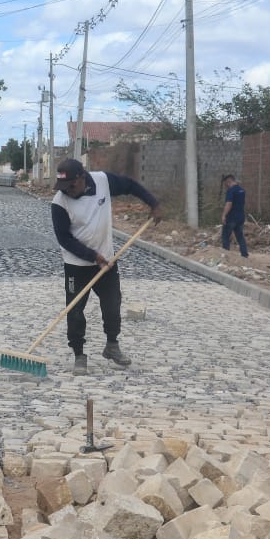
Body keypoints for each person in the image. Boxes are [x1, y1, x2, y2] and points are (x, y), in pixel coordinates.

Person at [50, 157, 163, 375]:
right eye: (63, 186)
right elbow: (64, 239)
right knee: (75, 312)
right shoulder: (59, 203)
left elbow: (130, 185)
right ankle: (79, 355)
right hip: (76, 265)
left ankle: (112, 345)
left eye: (71, 185)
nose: (67, 191)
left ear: (82, 178)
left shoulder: (102, 181)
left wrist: (154, 204)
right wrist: (93, 256)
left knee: (112, 305)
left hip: (107, 262)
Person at [221, 174, 248, 257]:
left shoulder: (231, 191)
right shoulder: (242, 190)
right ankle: (244, 254)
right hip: (240, 217)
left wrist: (224, 215)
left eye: (226, 184)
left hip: (231, 218)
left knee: (225, 236)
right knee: (240, 236)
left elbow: (229, 203)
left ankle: (226, 254)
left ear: (229, 182)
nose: (226, 186)